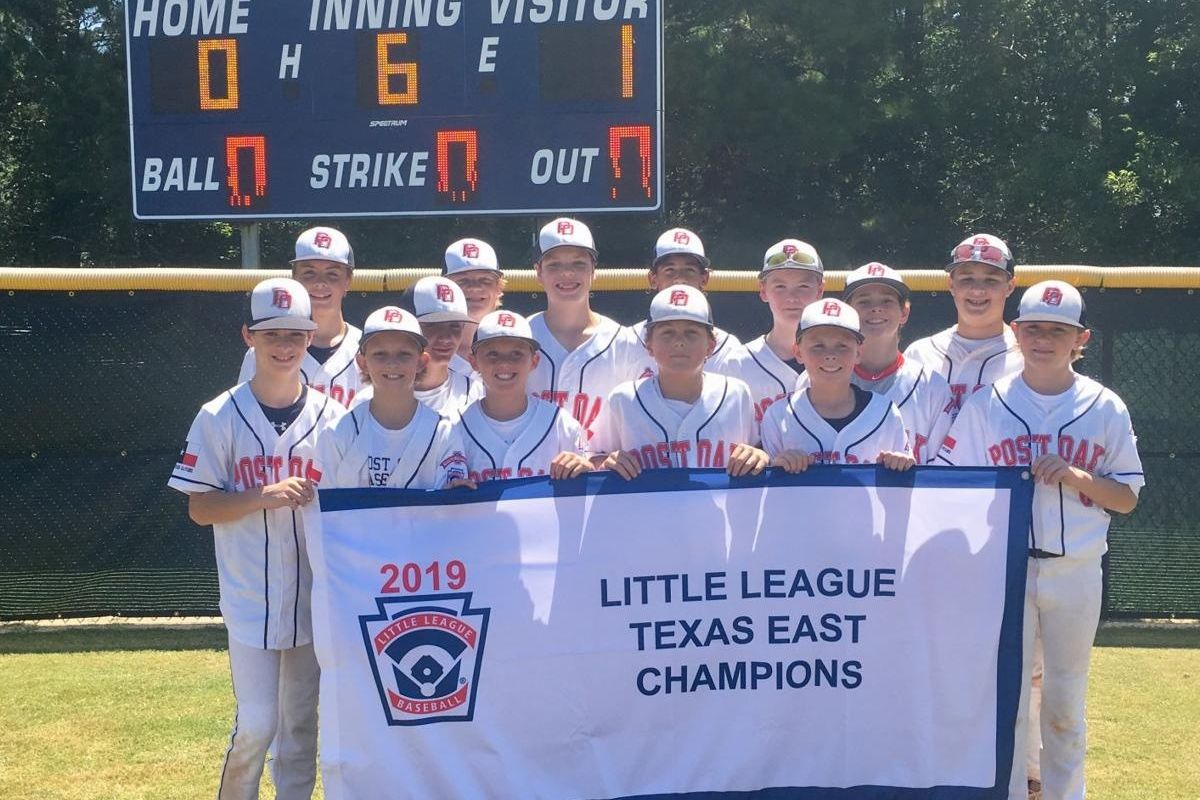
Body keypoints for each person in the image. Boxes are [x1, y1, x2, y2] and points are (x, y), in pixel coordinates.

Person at [938, 280, 1143, 800]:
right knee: (1006, 700)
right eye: (1033, 329)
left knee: (1065, 704)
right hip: (1005, 572)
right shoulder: (988, 403)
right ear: (1016, 332)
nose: (1044, 340)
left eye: (1058, 330)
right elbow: (950, 484)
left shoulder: (1105, 406)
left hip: (1075, 572)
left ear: (1082, 338)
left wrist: (1077, 476)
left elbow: (1127, 498)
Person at [169, 278, 344, 800]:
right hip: (249, 598)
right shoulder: (218, 415)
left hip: (313, 600)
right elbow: (199, 508)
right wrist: (259, 495)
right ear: (249, 336)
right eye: (272, 334)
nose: (284, 346)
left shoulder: (334, 418)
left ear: (310, 336)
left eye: (295, 334)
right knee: (257, 725)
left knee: (300, 728)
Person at [593, 285, 767, 479]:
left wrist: (759, 455)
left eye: (691, 332)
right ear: (649, 345)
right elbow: (594, 456)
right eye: (667, 332)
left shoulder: (736, 394)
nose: (679, 342)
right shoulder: (623, 400)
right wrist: (605, 462)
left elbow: (758, 448)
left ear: (711, 346)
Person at [314, 306, 471, 490]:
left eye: (404, 354)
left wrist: (455, 496)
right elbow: (325, 504)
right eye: (380, 354)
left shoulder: (443, 433)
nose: (392, 363)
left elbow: (453, 503)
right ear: (362, 363)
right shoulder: (337, 433)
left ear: (421, 362)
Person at [761, 299, 914, 471]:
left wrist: (900, 465)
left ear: (859, 353)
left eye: (842, 346)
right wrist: (777, 466)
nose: (830, 355)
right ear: (798, 352)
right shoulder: (778, 416)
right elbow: (765, 485)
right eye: (818, 346)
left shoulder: (885, 412)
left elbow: (903, 482)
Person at [527, 217, 641, 444]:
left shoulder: (625, 343)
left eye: (578, 264)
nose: (567, 273)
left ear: (593, 270)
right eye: (554, 265)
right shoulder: (519, 337)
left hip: (601, 465)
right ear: (538, 272)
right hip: (530, 467)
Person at [836, 262, 954, 464]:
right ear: (847, 313)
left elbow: (946, 471)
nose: (876, 309)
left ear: (904, 312)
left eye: (887, 301)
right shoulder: (816, 379)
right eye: (864, 302)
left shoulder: (932, 387)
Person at [459, 310, 593, 482]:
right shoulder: (453, 428)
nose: (504, 363)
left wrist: (586, 470)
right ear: (473, 362)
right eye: (492, 354)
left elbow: (587, 489)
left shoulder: (562, 425)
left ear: (534, 361)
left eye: (516, 354)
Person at [238, 227, 363, 407]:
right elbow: (244, 414)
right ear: (295, 277)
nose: (320, 282)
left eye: (332, 274)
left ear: (348, 281)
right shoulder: (262, 351)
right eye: (309, 273)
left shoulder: (368, 350)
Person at [904, 233, 1023, 417]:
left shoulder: (1027, 356)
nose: (977, 290)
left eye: (991, 280)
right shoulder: (920, 354)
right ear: (951, 284)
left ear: (1010, 286)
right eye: (967, 279)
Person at [351, 277, 482, 417]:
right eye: (432, 325)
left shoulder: (476, 394)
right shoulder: (368, 400)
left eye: (454, 326)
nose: (445, 338)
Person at [729, 239, 825, 424]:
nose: (792, 297)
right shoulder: (736, 363)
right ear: (763, 290)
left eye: (803, 286)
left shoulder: (842, 360)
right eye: (780, 287)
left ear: (820, 290)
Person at [629, 228, 742, 378]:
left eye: (689, 270)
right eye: (670, 270)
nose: (680, 279)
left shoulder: (727, 349)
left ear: (704, 278)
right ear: (653, 279)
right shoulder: (628, 342)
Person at [443, 237, 505, 375]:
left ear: (499, 288)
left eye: (485, 280)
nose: (475, 287)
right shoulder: (426, 350)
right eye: (462, 280)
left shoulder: (518, 344)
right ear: (445, 289)